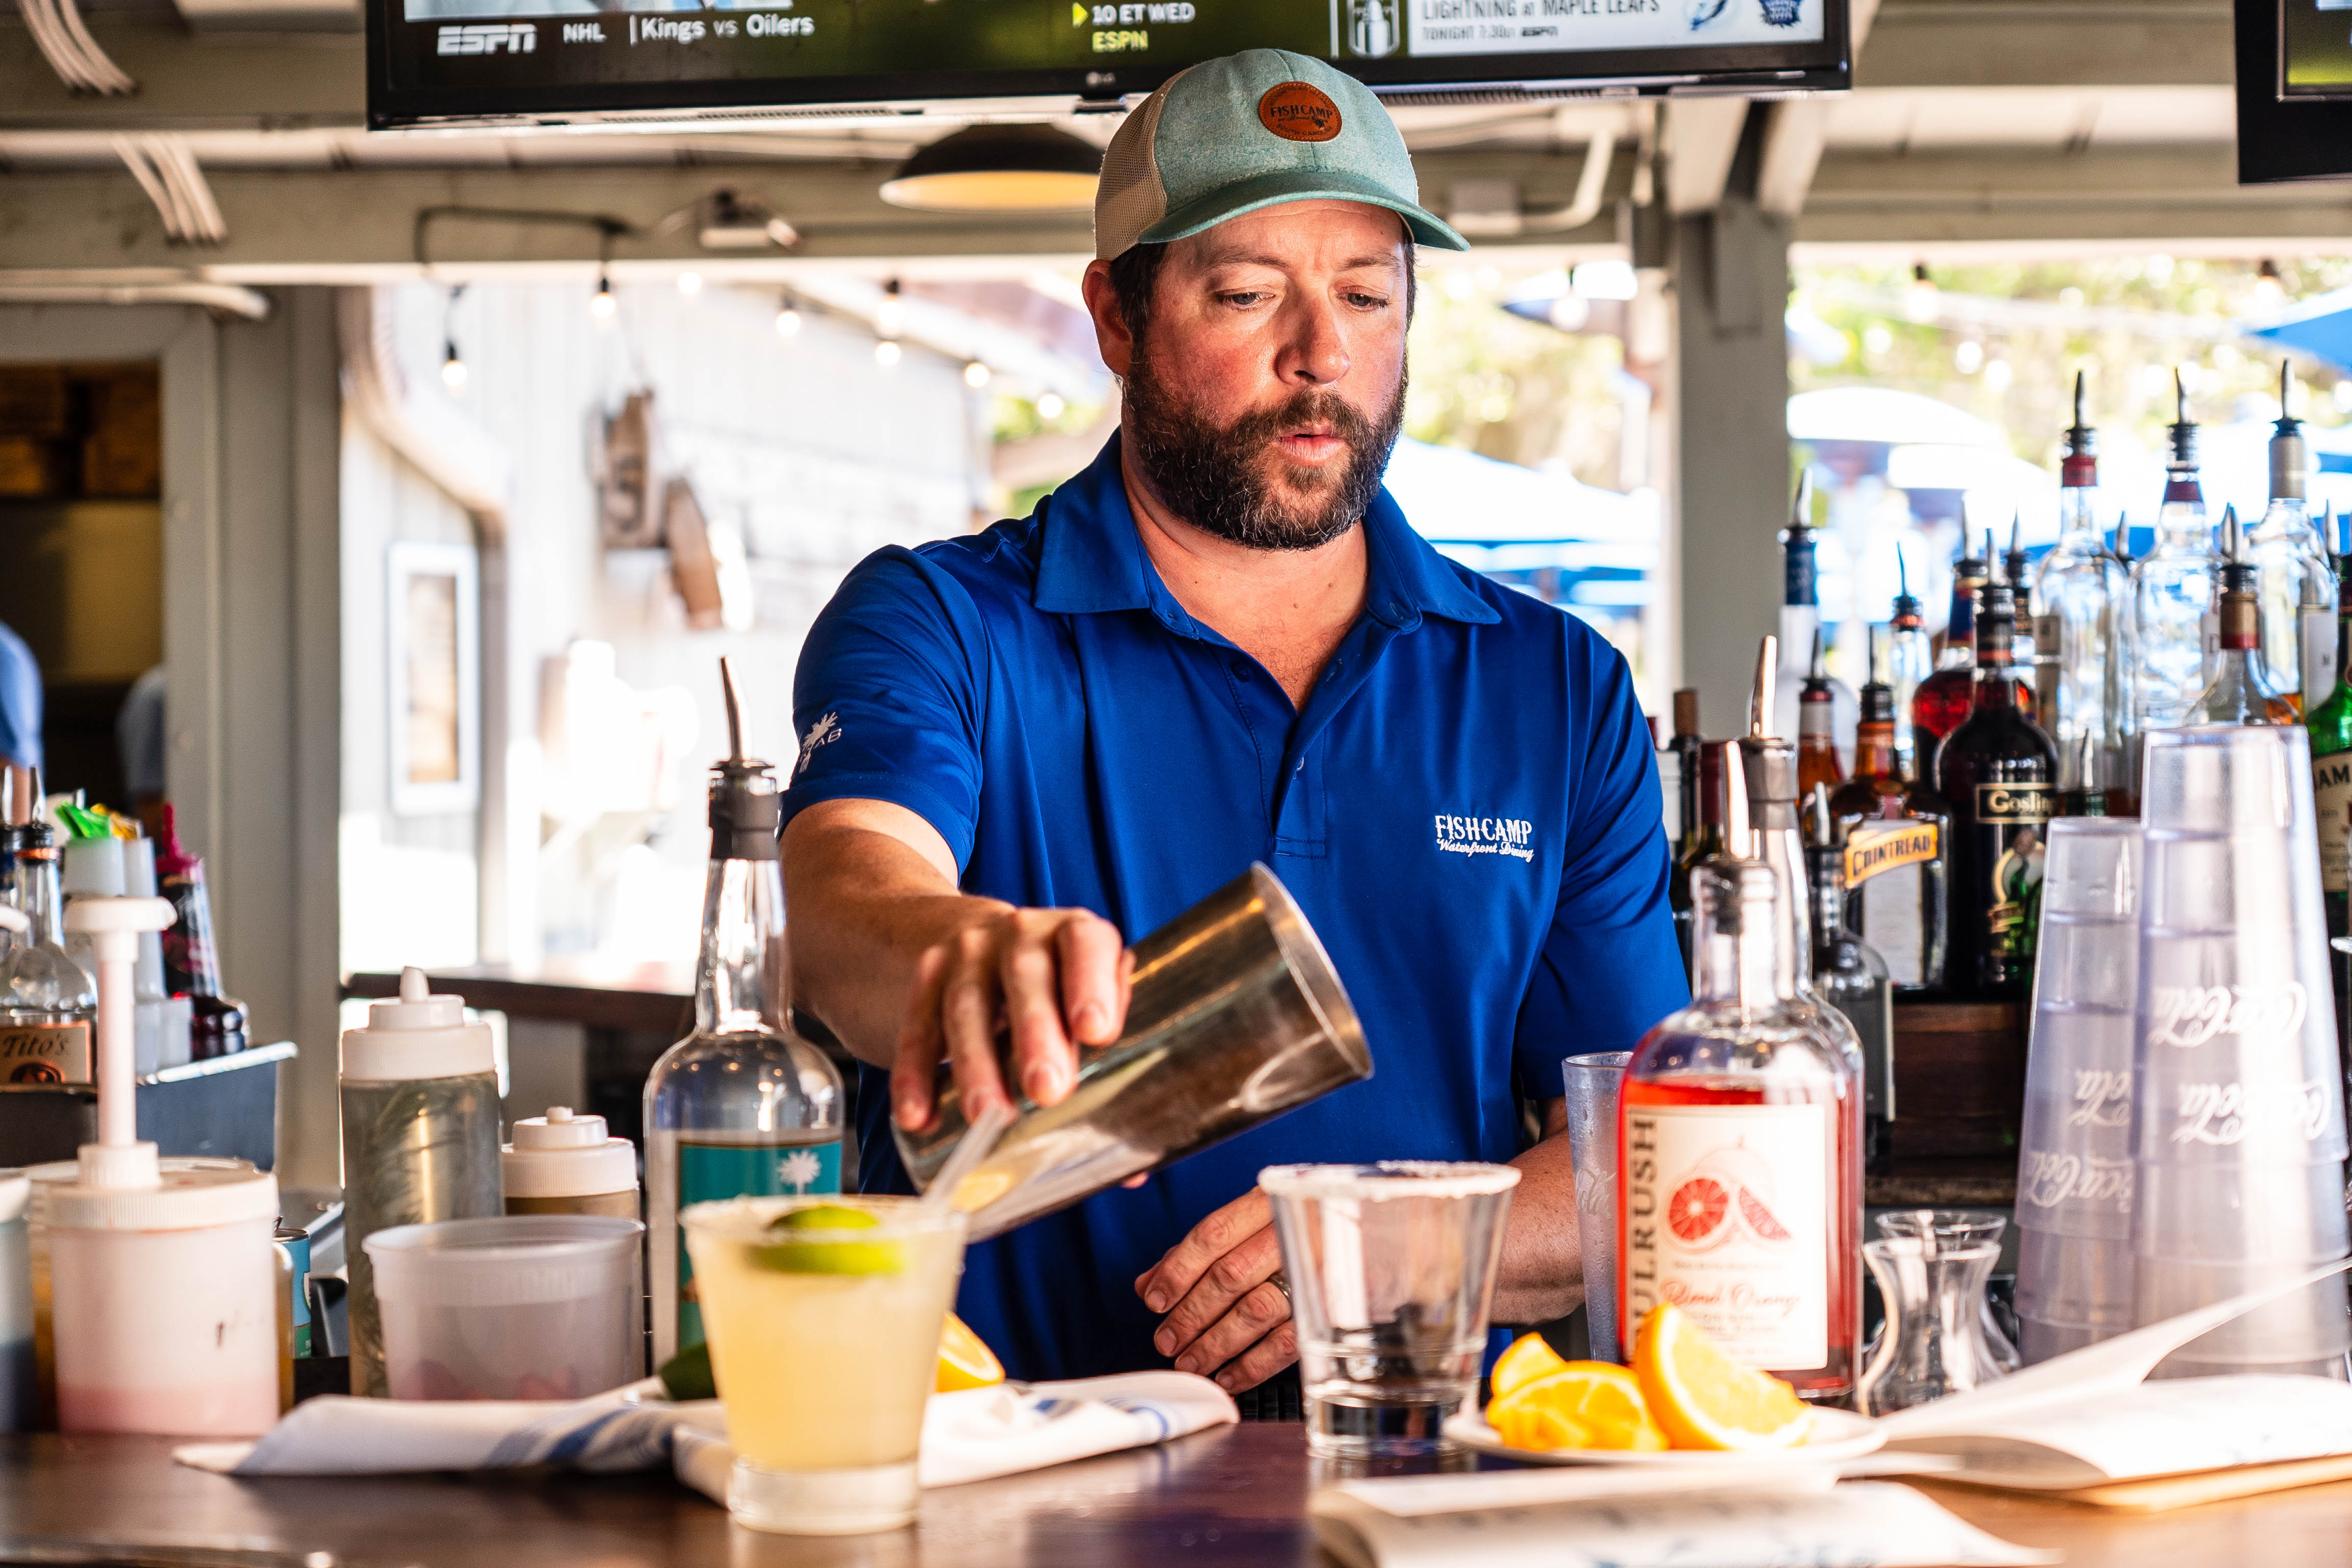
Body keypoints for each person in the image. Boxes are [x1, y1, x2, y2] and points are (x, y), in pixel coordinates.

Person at [781, 50, 1687, 1402]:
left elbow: (1648, 1155)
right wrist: (966, 955)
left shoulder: (1555, 689)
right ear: (1117, 312)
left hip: (1432, 1491)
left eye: (1368, 296)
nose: (1321, 356)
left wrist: (1399, 1245)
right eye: (1248, 292)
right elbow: (845, 901)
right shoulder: (943, 621)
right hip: (1021, 1479)